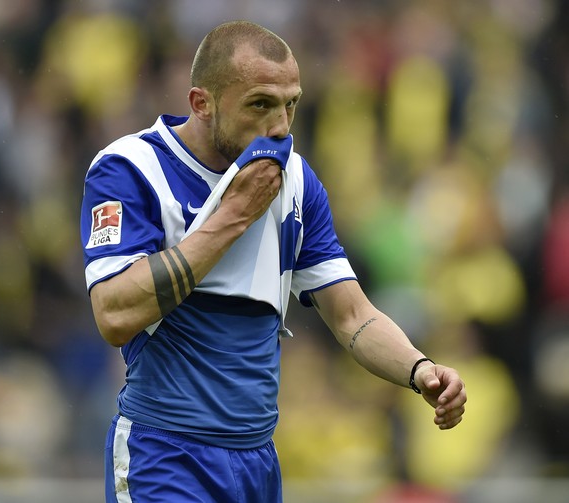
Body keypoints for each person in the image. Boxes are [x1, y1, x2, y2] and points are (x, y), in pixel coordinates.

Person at [80, 20, 467, 503]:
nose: (280, 127)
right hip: (166, 454)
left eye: (291, 105)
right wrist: (233, 217)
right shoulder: (130, 168)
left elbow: (352, 316)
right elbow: (113, 313)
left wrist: (420, 369)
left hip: (257, 462)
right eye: (260, 104)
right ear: (201, 103)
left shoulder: (297, 182)